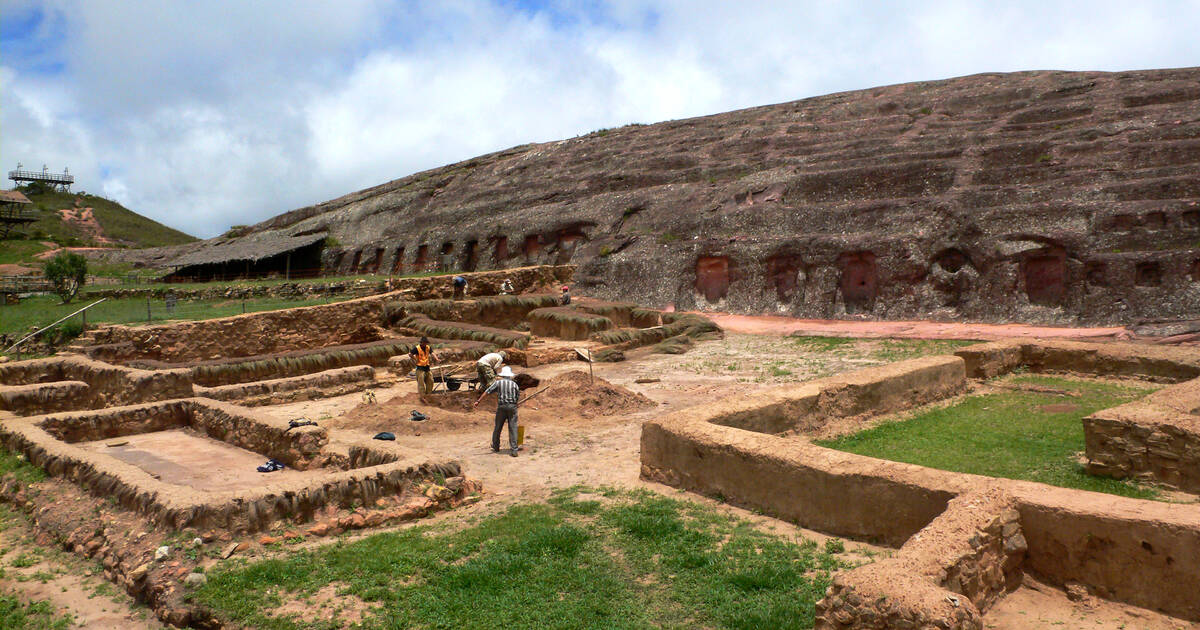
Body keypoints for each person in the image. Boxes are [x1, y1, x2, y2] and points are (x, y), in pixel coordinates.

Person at [473, 366, 521, 457]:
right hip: (512, 407)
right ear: (509, 376)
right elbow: (517, 396)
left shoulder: (498, 383)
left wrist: (478, 401)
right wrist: (515, 404)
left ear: (503, 375)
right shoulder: (514, 385)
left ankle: (496, 446)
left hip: (502, 407)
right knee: (513, 427)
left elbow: (487, 391)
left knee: (498, 427)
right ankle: (514, 450)